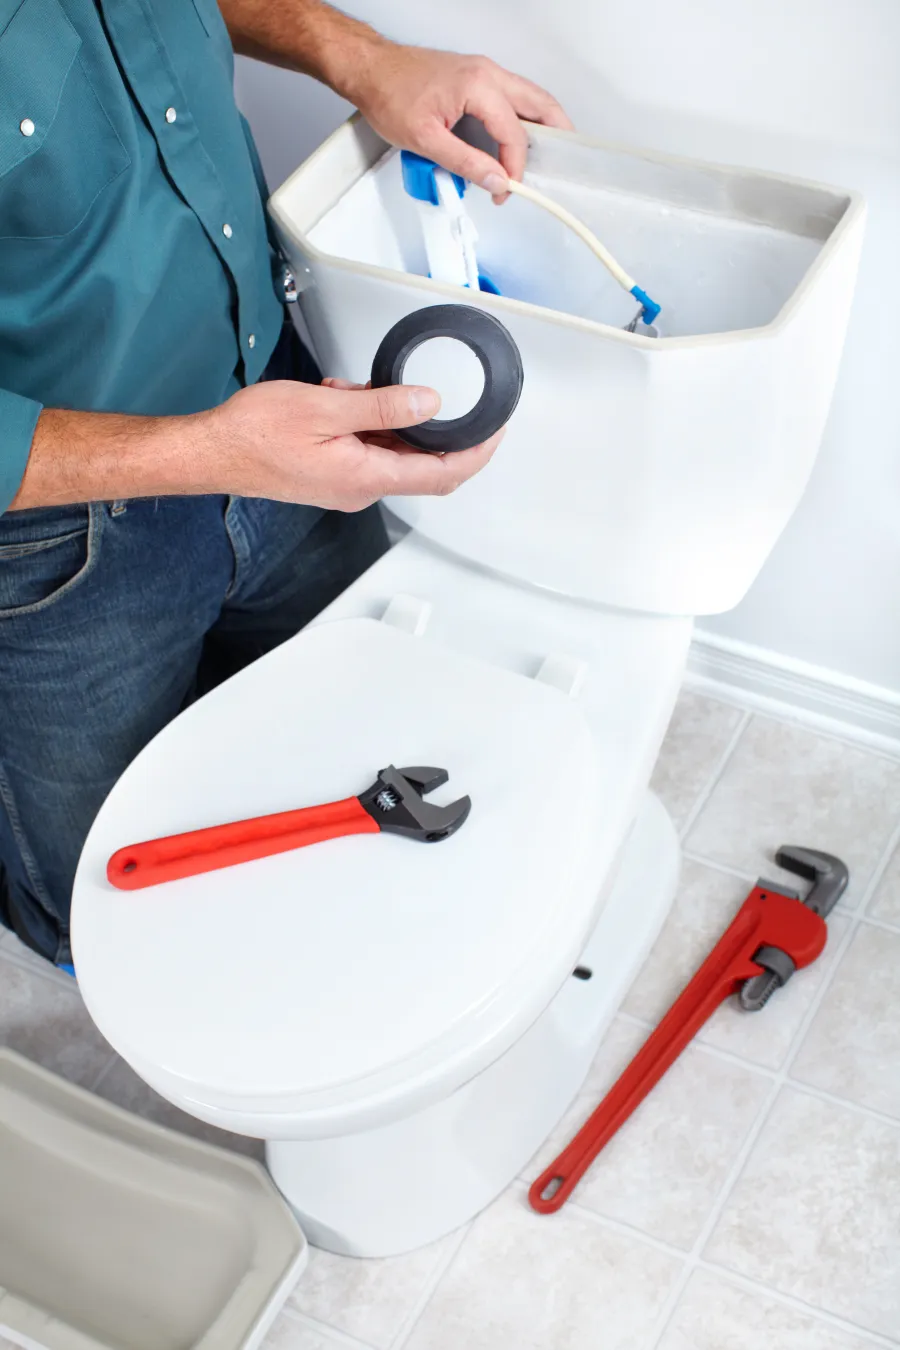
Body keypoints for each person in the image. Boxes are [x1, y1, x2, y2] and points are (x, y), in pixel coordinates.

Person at [0, 0, 571, 968]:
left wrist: (360, 56)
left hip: (279, 391)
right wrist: (206, 455)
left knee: (350, 744)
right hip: (59, 545)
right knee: (111, 900)